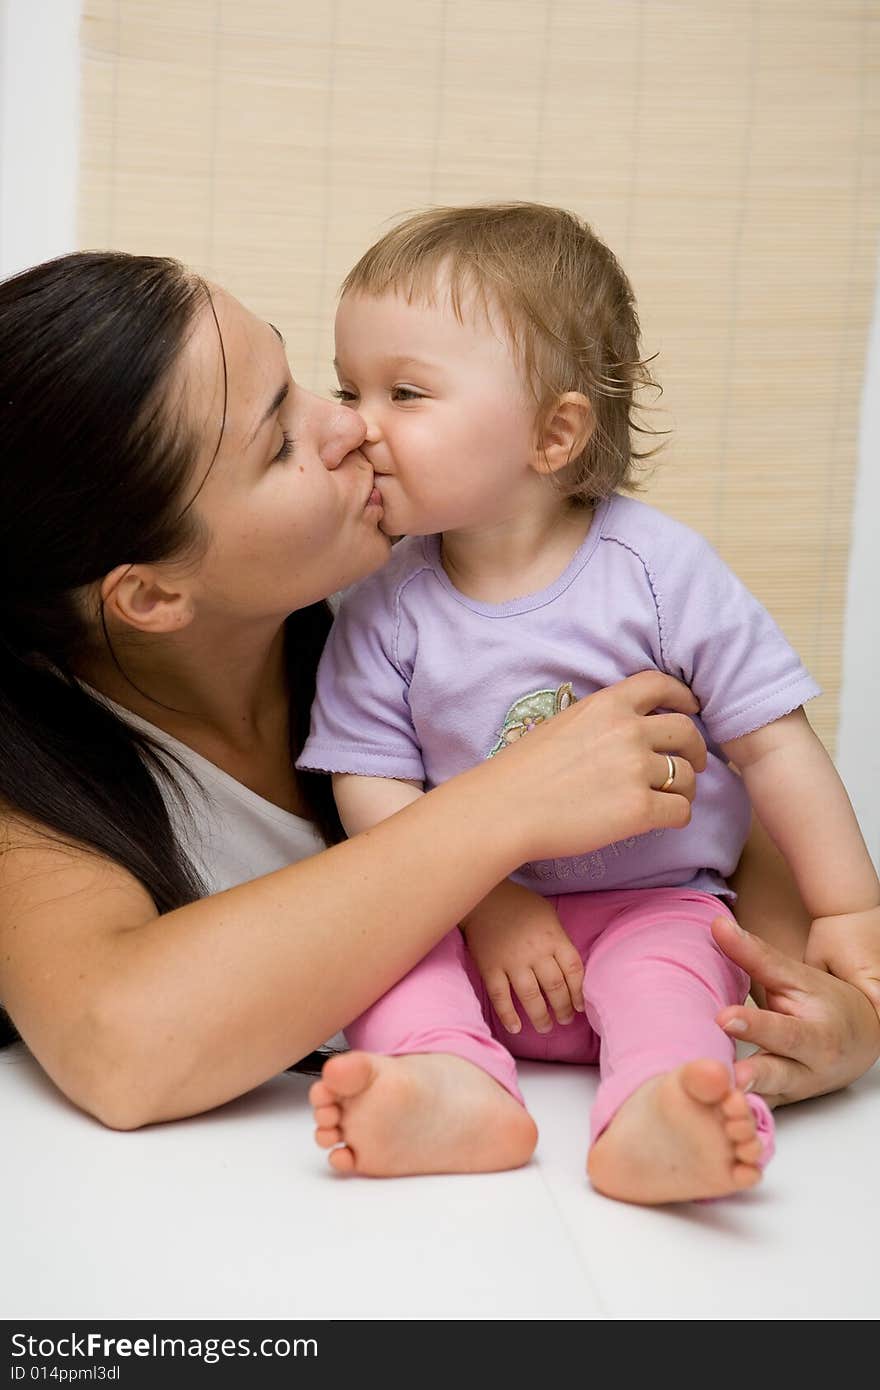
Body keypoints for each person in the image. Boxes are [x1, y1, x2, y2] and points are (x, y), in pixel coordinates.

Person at [0, 252, 876, 1149]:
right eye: (279, 444)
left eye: (304, 380)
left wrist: (808, 1010)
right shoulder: (28, 783)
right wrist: (506, 808)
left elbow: (730, 776)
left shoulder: (403, 596)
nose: (346, 423)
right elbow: (119, 1045)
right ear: (151, 597)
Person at [298, 203, 880, 1204]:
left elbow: (774, 744)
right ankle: (448, 1083)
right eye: (351, 388)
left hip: (652, 905)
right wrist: (487, 903)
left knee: (678, 977)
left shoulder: (657, 571)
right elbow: (371, 783)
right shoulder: (382, 602)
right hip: (472, 921)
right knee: (383, 966)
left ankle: (661, 1109)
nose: (356, 422)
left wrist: (847, 906)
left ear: (553, 432)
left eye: (404, 391)